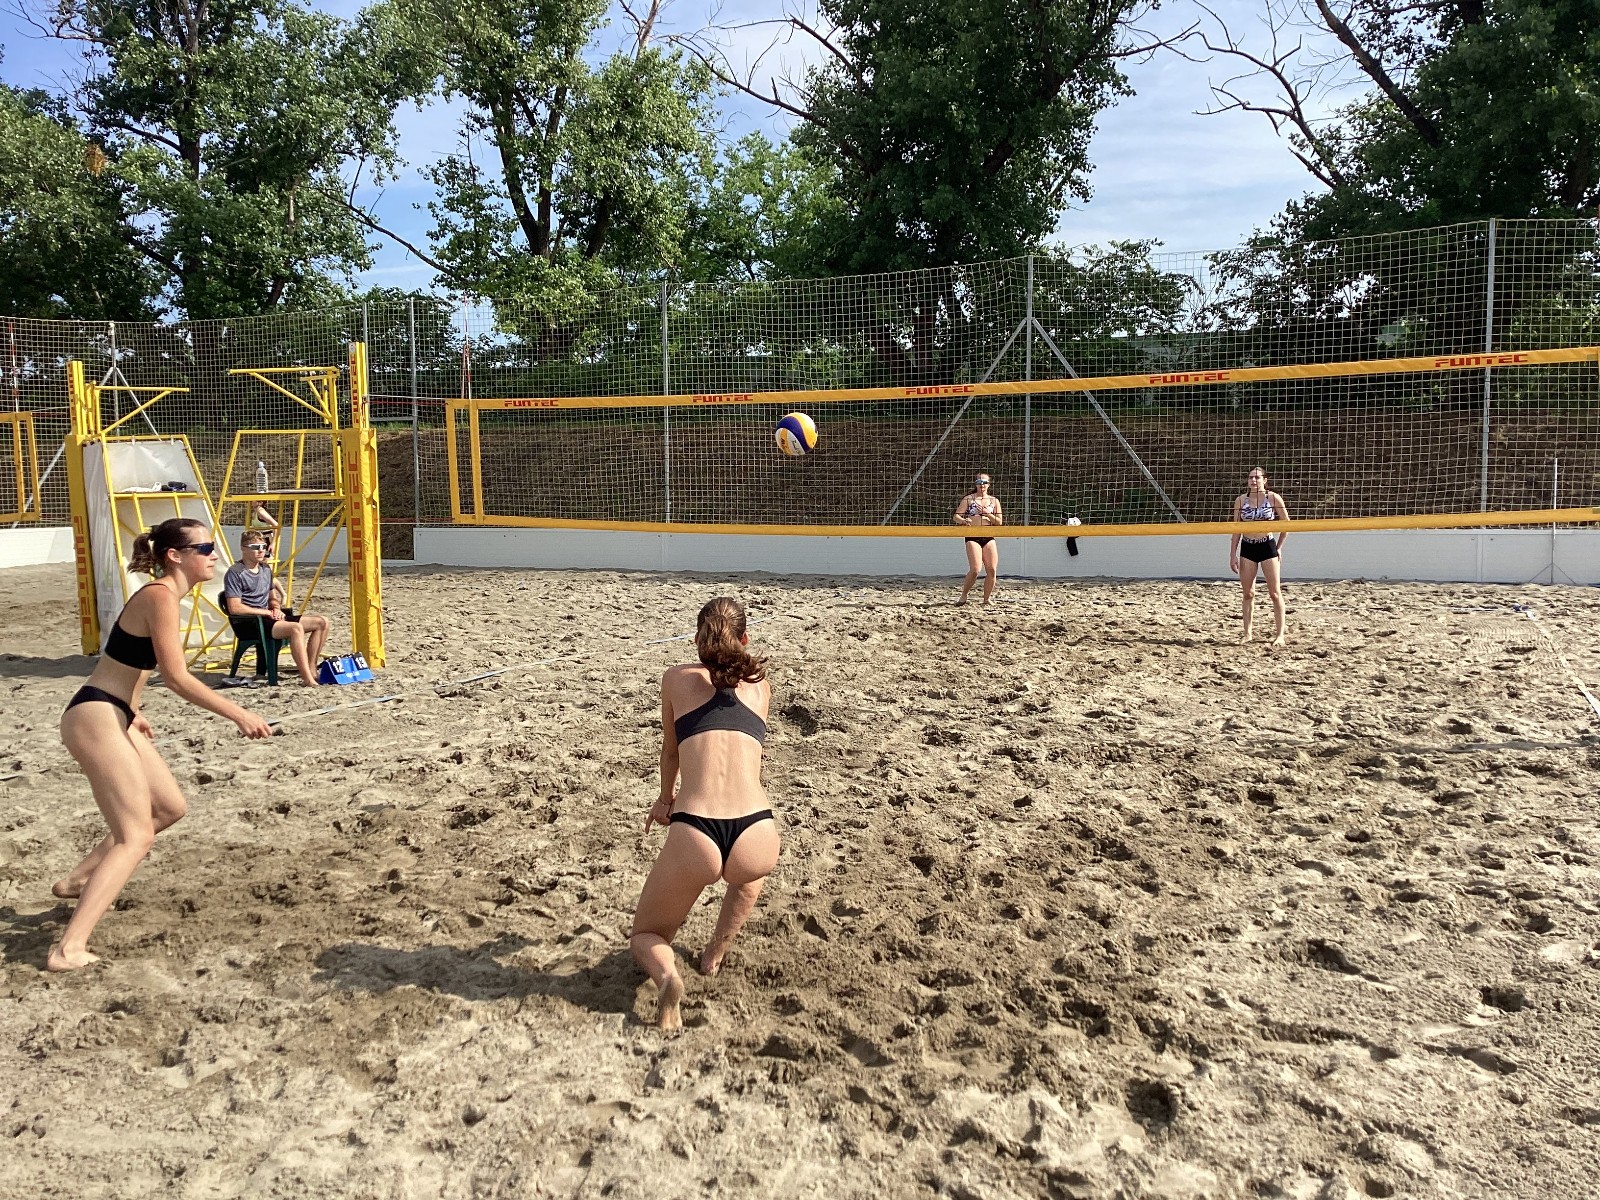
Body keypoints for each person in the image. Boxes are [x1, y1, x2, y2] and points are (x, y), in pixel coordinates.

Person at [51, 518, 274, 971]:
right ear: (175, 556)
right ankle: (67, 949)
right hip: (95, 716)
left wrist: (133, 709)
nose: (214, 555)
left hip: (117, 714)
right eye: (205, 548)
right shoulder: (160, 595)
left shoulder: (167, 596)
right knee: (135, 836)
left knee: (169, 808)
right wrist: (239, 713)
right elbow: (176, 678)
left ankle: (77, 881)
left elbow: (127, 661)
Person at [631, 597, 779, 1032]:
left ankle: (668, 978)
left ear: (697, 638)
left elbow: (671, 751)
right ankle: (716, 952)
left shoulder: (676, 679)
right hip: (756, 829)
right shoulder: (761, 687)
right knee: (749, 873)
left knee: (647, 935)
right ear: (745, 639)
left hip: (698, 828)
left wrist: (664, 800)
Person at [220, 530, 333, 686]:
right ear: (243, 548)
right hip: (250, 622)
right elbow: (234, 608)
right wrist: (266, 612)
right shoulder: (235, 573)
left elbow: (272, 597)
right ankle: (307, 678)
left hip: (268, 618)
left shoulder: (265, 569)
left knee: (322, 622)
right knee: (295, 628)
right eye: (255, 547)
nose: (261, 550)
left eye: (263, 546)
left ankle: (312, 670)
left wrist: (275, 608)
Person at [1229, 466, 1290, 645]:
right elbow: (1236, 529)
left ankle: (1280, 635)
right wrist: (1232, 554)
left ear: (1265, 480)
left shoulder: (1273, 498)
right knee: (1248, 593)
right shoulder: (1241, 500)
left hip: (1267, 546)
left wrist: (1279, 548)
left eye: (1257, 477)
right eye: (1250, 478)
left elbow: (1287, 525)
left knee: (1275, 593)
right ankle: (1247, 634)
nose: (1253, 480)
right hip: (1248, 547)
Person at [953, 472, 1004, 604]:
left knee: (991, 569)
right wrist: (963, 521)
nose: (982, 485)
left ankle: (986, 599)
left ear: (989, 484)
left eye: (984, 482)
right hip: (973, 536)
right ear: (975, 484)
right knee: (975, 569)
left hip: (988, 536)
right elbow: (956, 516)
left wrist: (988, 514)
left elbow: (999, 522)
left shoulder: (994, 501)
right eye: (979, 482)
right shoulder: (969, 499)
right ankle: (964, 595)